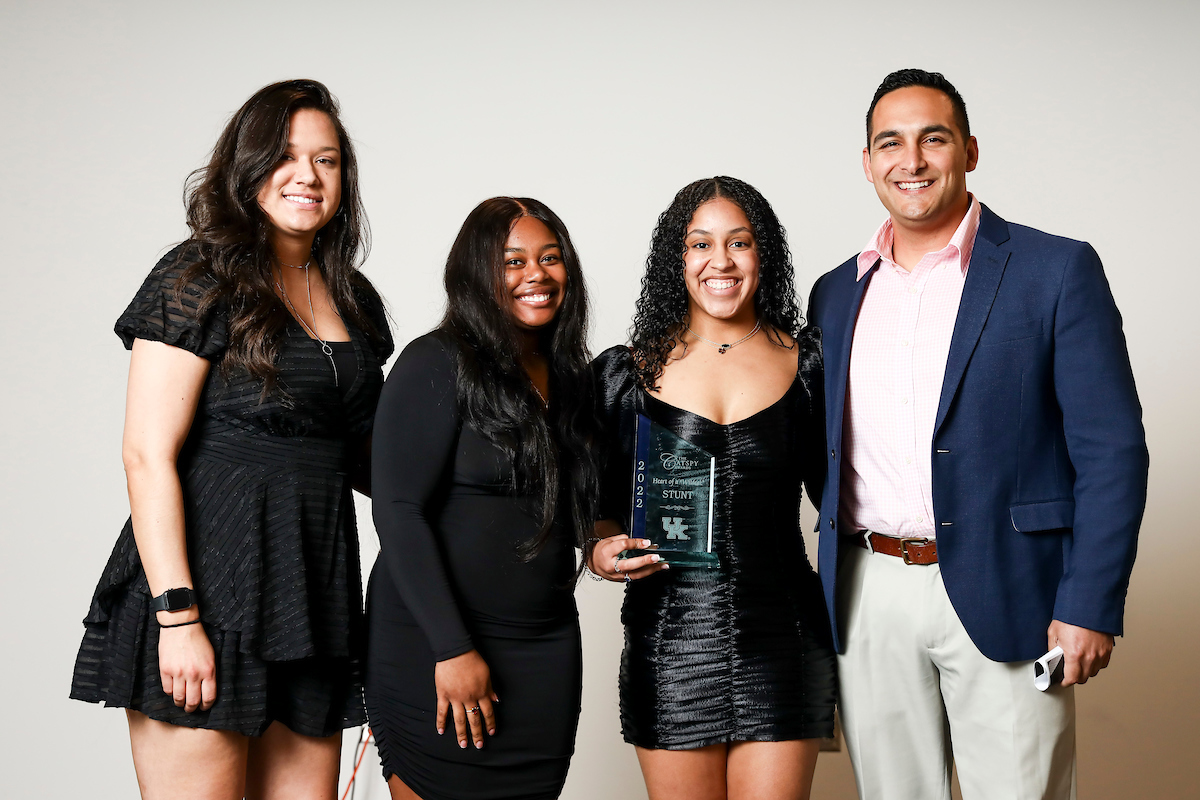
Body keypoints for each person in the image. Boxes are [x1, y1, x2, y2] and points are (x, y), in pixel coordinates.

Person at [807, 68, 1149, 800]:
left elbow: (1112, 452)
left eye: (933, 138)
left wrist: (1089, 603)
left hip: (1013, 588)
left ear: (968, 148)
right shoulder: (836, 291)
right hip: (869, 592)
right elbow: (823, 449)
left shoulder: (1056, 270)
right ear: (867, 163)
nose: (913, 160)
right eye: (890, 143)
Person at [69, 79, 392, 799]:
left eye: (328, 160)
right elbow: (145, 453)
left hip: (313, 604)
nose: (307, 175)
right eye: (284, 155)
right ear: (247, 166)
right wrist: (176, 615)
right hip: (206, 596)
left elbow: (375, 462)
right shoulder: (197, 277)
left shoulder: (354, 299)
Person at [588, 177, 836, 800]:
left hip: (782, 637)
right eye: (700, 244)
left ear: (764, 255)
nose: (720, 262)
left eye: (739, 243)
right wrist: (597, 550)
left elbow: (849, 499)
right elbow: (592, 504)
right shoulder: (626, 372)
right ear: (678, 260)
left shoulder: (812, 365)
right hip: (670, 640)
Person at [365, 197, 600, 800]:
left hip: (545, 649)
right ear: (476, 272)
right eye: (513, 260)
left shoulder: (571, 377)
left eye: (551, 258)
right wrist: (453, 648)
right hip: (436, 641)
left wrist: (603, 542)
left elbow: (573, 508)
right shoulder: (435, 362)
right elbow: (397, 510)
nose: (536, 274)